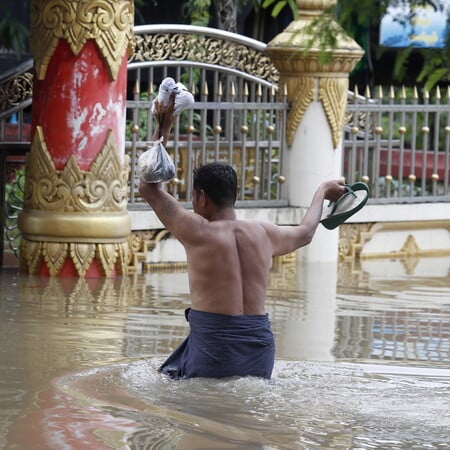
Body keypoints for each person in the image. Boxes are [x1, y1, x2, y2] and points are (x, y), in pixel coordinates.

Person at [138, 95, 346, 380]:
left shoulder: (197, 231)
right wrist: (322, 191)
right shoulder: (263, 232)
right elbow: (306, 233)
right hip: (259, 343)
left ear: (201, 197)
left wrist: (164, 125)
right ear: (234, 196)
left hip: (215, 345)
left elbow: (149, 188)